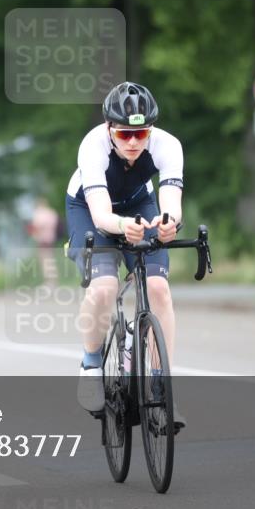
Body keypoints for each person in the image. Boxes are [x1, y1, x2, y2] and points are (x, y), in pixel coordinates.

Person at [65, 81, 186, 431]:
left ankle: (163, 391)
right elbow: (102, 215)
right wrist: (122, 226)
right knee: (104, 286)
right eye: (124, 134)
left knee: (159, 289)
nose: (133, 142)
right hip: (89, 209)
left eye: (141, 133)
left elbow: (171, 204)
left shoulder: (168, 146)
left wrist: (168, 224)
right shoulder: (93, 146)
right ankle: (90, 365)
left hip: (137, 203)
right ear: (109, 129)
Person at [28, 197, 59, 285]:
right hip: (51, 239)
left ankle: (50, 282)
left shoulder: (39, 213)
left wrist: (34, 233)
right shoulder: (52, 213)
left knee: (45, 261)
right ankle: (52, 281)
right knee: (50, 260)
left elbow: (38, 226)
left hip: (43, 240)